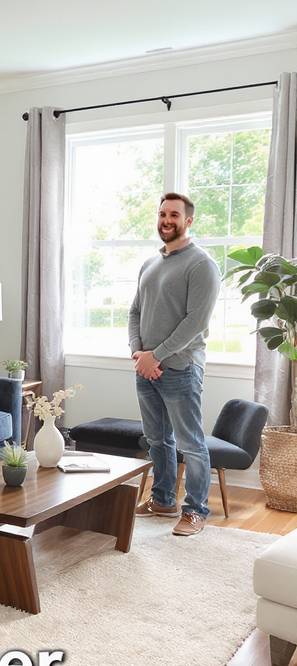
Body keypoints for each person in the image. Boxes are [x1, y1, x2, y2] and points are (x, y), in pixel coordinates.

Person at [130, 192, 220, 536]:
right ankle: (163, 500)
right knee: (157, 440)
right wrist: (139, 354)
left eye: (174, 215)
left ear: (188, 221)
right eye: (162, 213)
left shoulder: (201, 264)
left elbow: (195, 322)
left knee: (191, 443)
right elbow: (135, 312)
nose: (167, 220)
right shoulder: (150, 263)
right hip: (146, 368)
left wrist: (157, 355)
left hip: (181, 367)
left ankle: (195, 510)